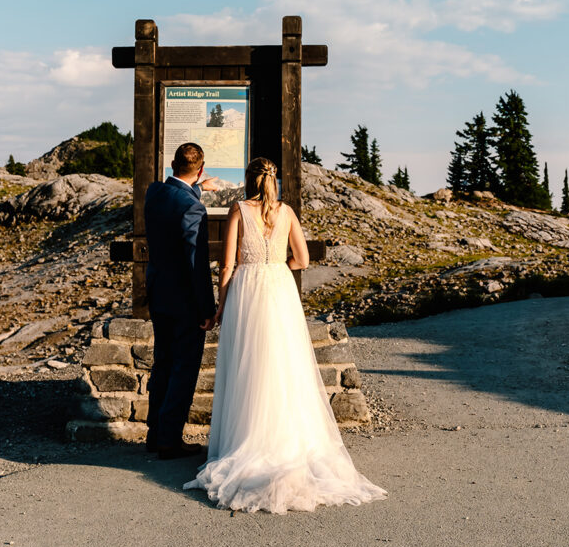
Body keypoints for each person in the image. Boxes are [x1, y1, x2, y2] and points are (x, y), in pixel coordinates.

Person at [183, 157, 387, 513]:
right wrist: (277, 266)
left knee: (249, 364)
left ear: (249, 180)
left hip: (248, 290)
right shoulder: (287, 212)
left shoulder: (238, 209)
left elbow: (228, 264)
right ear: (274, 181)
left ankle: (248, 439)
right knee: (284, 363)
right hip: (279, 289)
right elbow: (303, 260)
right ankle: (289, 441)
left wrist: (220, 306)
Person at [143, 143, 218, 460]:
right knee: (184, 368)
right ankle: (170, 440)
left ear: (172, 164)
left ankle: (155, 433)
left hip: (159, 294)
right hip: (185, 302)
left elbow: (178, 198)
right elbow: (194, 263)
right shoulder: (192, 208)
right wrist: (206, 308)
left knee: (162, 363)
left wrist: (197, 189)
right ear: (200, 170)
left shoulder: (154, 193)